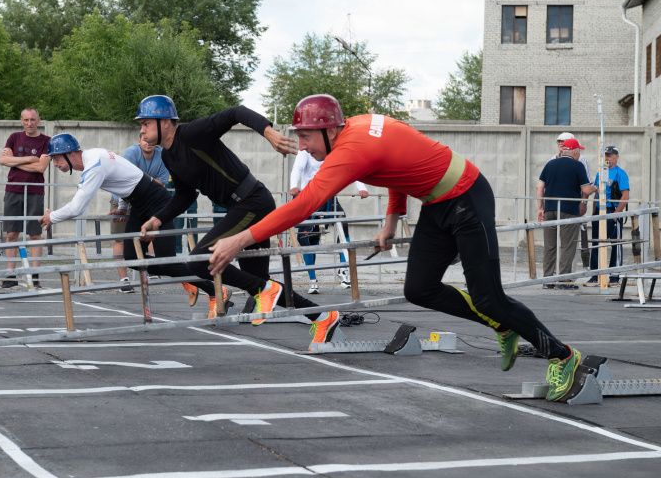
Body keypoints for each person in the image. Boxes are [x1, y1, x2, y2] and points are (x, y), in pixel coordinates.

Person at [209, 94, 584, 402]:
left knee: (489, 298)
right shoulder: (357, 125)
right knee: (418, 289)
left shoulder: (348, 151)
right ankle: (503, 325)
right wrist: (393, 217)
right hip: (437, 203)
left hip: (469, 195)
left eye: (306, 138)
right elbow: (398, 161)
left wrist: (241, 238)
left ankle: (563, 354)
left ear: (329, 129)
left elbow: (303, 206)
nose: (302, 148)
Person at [135, 95, 339, 346]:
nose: (142, 130)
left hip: (252, 202)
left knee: (200, 260)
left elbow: (235, 112)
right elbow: (186, 195)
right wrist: (158, 219)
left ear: (164, 122)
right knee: (261, 283)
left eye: (145, 123)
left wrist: (268, 132)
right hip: (242, 207)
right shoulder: (168, 157)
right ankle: (323, 316)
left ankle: (267, 292)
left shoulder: (192, 134)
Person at [37, 133, 229, 318]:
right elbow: (123, 177)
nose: (54, 164)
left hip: (157, 202)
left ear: (70, 153)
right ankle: (188, 280)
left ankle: (216, 291)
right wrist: (122, 207)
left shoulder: (94, 164)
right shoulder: (94, 156)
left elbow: (77, 207)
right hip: (138, 203)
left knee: (167, 261)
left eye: (56, 159)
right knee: (132, 258)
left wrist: (52, 217)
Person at [289, 149, 369, 292]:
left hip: (329, 196)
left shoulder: (333, 148)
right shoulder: (306, 149)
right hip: (309, 196)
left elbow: (350, 167)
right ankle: (312, 280)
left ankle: (343, 270)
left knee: (343, 225)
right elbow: (298, 168)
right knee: (306, 237)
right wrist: (293, 185)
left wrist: (361, 187)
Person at [109, 136, 171, 294]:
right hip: (122, 198)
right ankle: (124, 280)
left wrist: (143, 184)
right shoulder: (131, 153)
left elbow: (162, 183)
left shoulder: (162, 155)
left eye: (151, 140)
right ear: (138, 141)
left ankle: (148, 271)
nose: (148, 143)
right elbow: (124, 180)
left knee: (149, 232)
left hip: (146, 200)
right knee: (121, 238)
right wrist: (147, 184)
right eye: (144, 140)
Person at [0, 107, 51, 289]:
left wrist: (16, 160)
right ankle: (10, 275)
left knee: (35, 234)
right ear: (21, 121)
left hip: (35, 191)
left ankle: (34, 275)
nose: (30, 123)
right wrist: (30, 159)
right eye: (26, 120)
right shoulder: (14, 137)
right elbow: (3, 161)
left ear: (39, 120)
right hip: (13, 190)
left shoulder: (46, 141)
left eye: (33, 120)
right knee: (12, 233)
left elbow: (40, 168)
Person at [537, 139, 597, 289]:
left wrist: (540, 208)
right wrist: (596, 187)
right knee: (567, 246)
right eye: (579, 151)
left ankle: (548, 280)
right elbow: (586, 190)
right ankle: (563, 281)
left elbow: (539, 187)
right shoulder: (578, 165)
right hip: (568, 210)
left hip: (550, 209)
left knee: (550, 246)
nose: (579, 154)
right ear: (575, 152)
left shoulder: (550, 164)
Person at [585, 145, 630, 285]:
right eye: (605, 155)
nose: (607, 158)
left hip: (612, 210)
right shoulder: (600, 173)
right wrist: (593, 211)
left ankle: (614, 275)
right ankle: (595, 274)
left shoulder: (620, 173)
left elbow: (625, 196)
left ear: (616, 157)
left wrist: (616, 214)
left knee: (615, 243)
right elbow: (596, 194)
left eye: (610, 156)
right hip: (599, 210)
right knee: (596, 243)